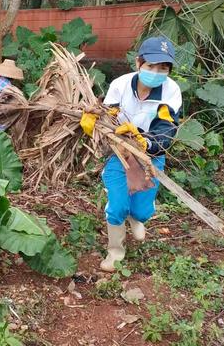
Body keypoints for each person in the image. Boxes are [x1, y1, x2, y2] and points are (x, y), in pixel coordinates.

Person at [80, 37, 182, 272]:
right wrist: (95, 123)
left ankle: (136, 217)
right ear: (138, 63)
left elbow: (167, 128)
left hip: (150, 156)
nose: (156, 72)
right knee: (117, 205)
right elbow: (109, 114)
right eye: (151, 66)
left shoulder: (171, 90)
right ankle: (115, 252)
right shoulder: (121, 84)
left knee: (141, 210)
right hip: (120, 151)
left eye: (163, 68)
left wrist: (145, 142)